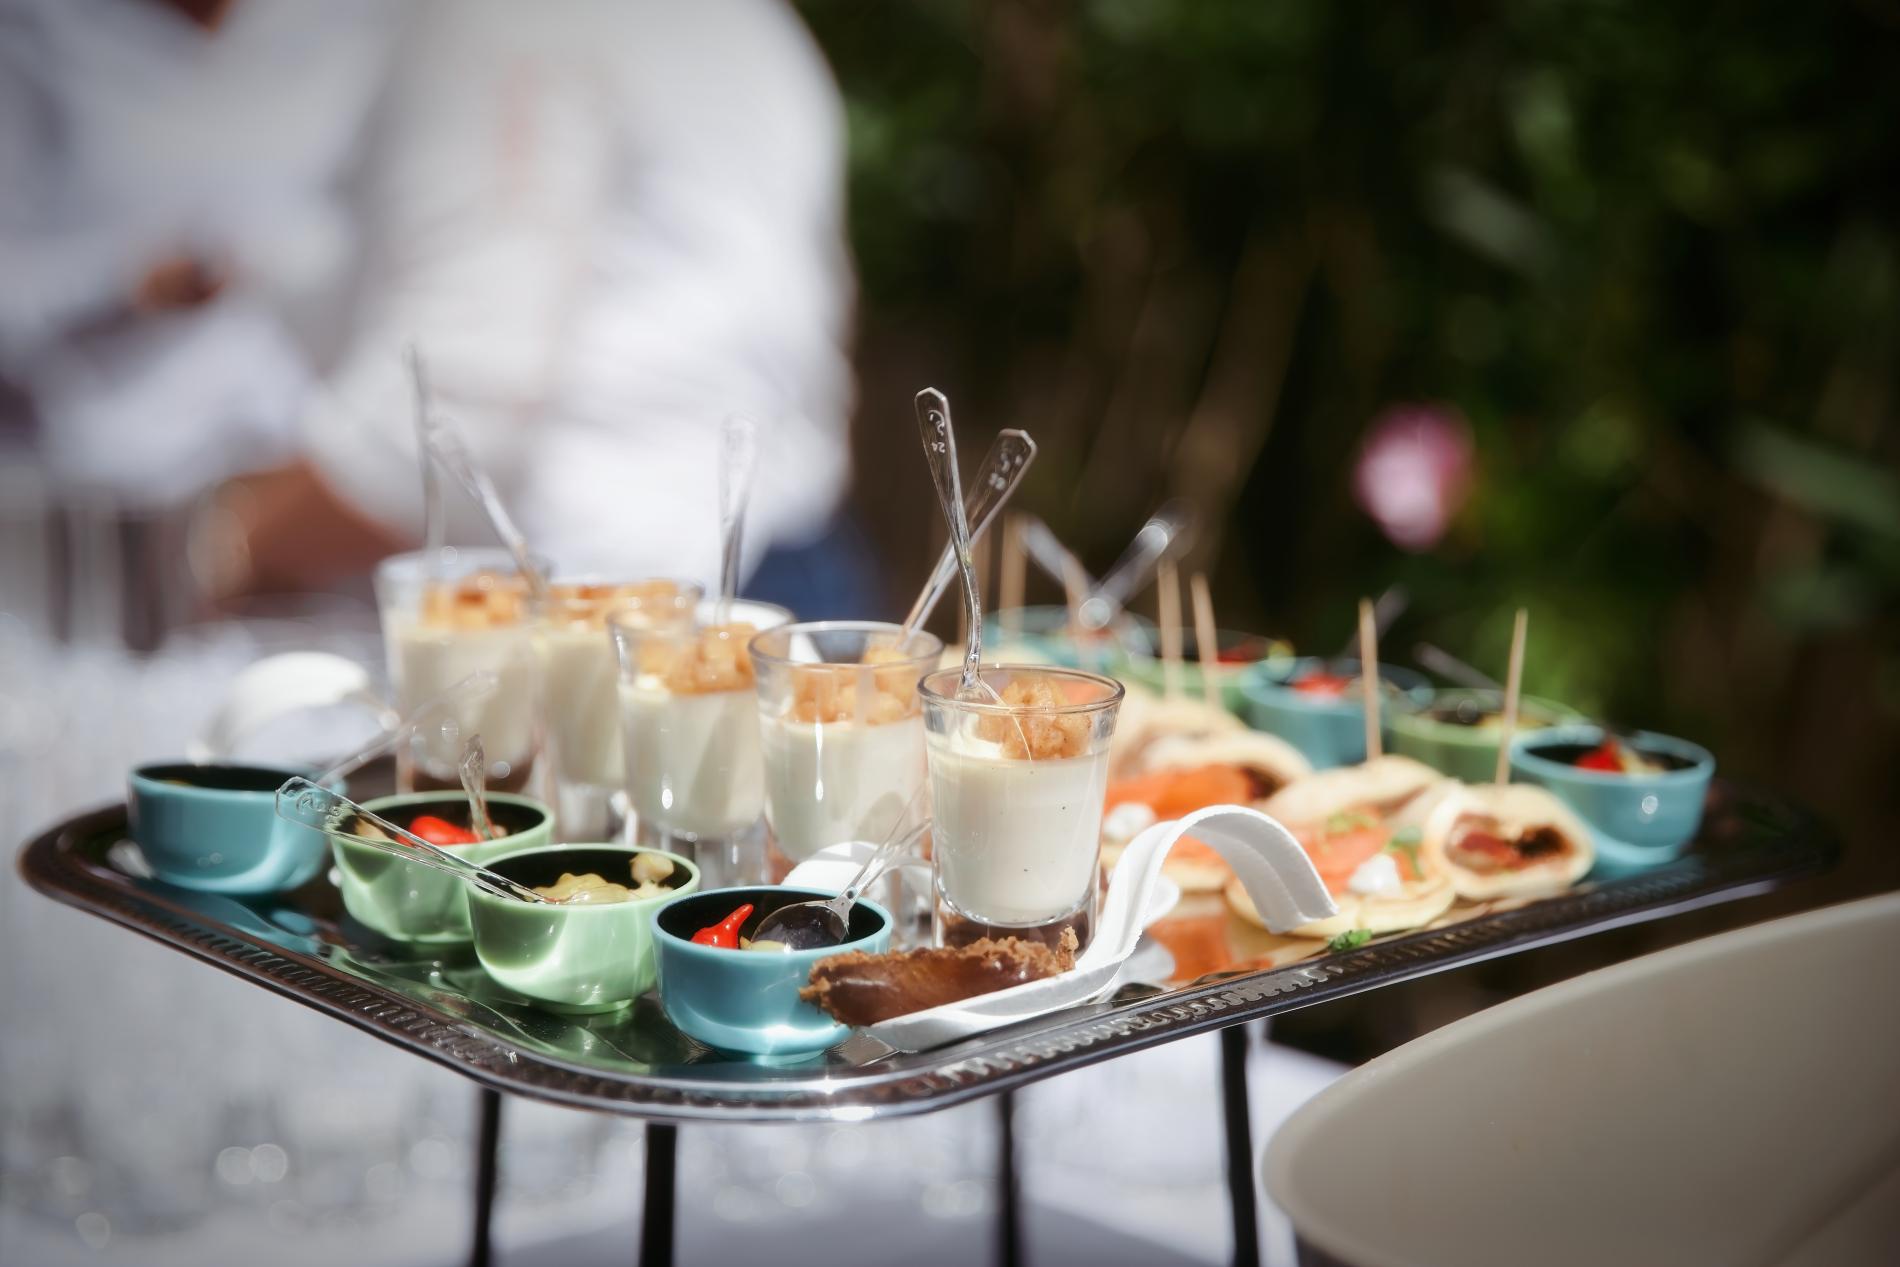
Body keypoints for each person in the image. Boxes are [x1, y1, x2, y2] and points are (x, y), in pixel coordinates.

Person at [220, 0, 863, 606]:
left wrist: (230, 552)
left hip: (616, 592)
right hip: (787, 562)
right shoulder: (751, 22)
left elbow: (466, 401)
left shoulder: (506, 21)